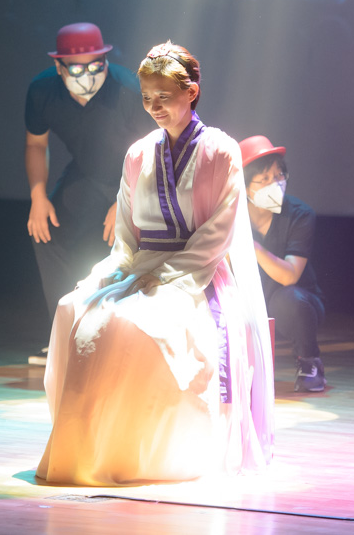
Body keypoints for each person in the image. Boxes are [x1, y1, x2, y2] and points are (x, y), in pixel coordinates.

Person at [36, 41, 274, 486]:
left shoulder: (220, 150)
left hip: (196, 274)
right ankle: (91, 449)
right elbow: (127, 230)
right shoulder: (139, 152)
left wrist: (165, 276)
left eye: (164, 96)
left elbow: (216, 233)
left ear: (191, 92)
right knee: (76, 308)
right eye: (147, 98)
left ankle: (146, 455)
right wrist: (116, 270)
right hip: (140, 265)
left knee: (138, 324)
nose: (154, 107)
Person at [24, 23, 152, 364]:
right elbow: (36, 144)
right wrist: (38, 196)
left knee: (132, 241)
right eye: (78, 69)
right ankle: (66, 333)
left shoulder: (127, 90)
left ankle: (121, 339)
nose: (89, 76)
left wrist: (125, 201)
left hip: (139, 178)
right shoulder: (42, 91)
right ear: (59, 67)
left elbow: (153, 152)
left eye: (96, 66)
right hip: (89, 173)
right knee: (46, 231)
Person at [239, 136, 326, 392]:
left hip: (293, 300)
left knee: (291, 301)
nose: (275, 184)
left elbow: (290, 275)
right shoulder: (231, 215)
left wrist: (253, 247)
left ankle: (309, 362)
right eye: (264, 179)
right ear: (244, 186)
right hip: (246, 297)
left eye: (279, 175)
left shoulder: (299, 214)